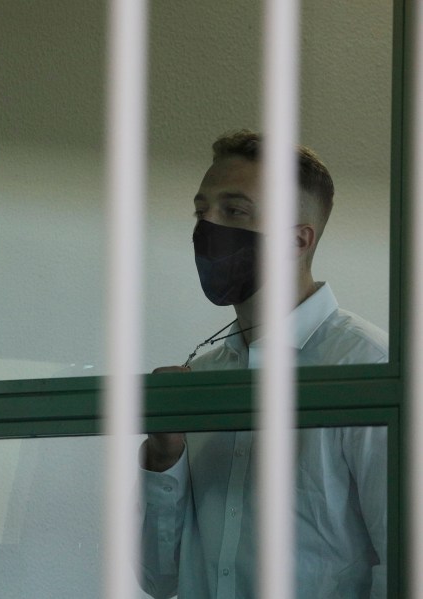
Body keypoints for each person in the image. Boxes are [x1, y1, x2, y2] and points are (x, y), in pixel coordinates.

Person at [139, 130, 387, 599]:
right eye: (201, 210)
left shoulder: (371, 370)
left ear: (297, 240)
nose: (207, 225)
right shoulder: (202, 381)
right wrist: (162, 457)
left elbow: (408, 566)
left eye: (234, 210)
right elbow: (158, 577)